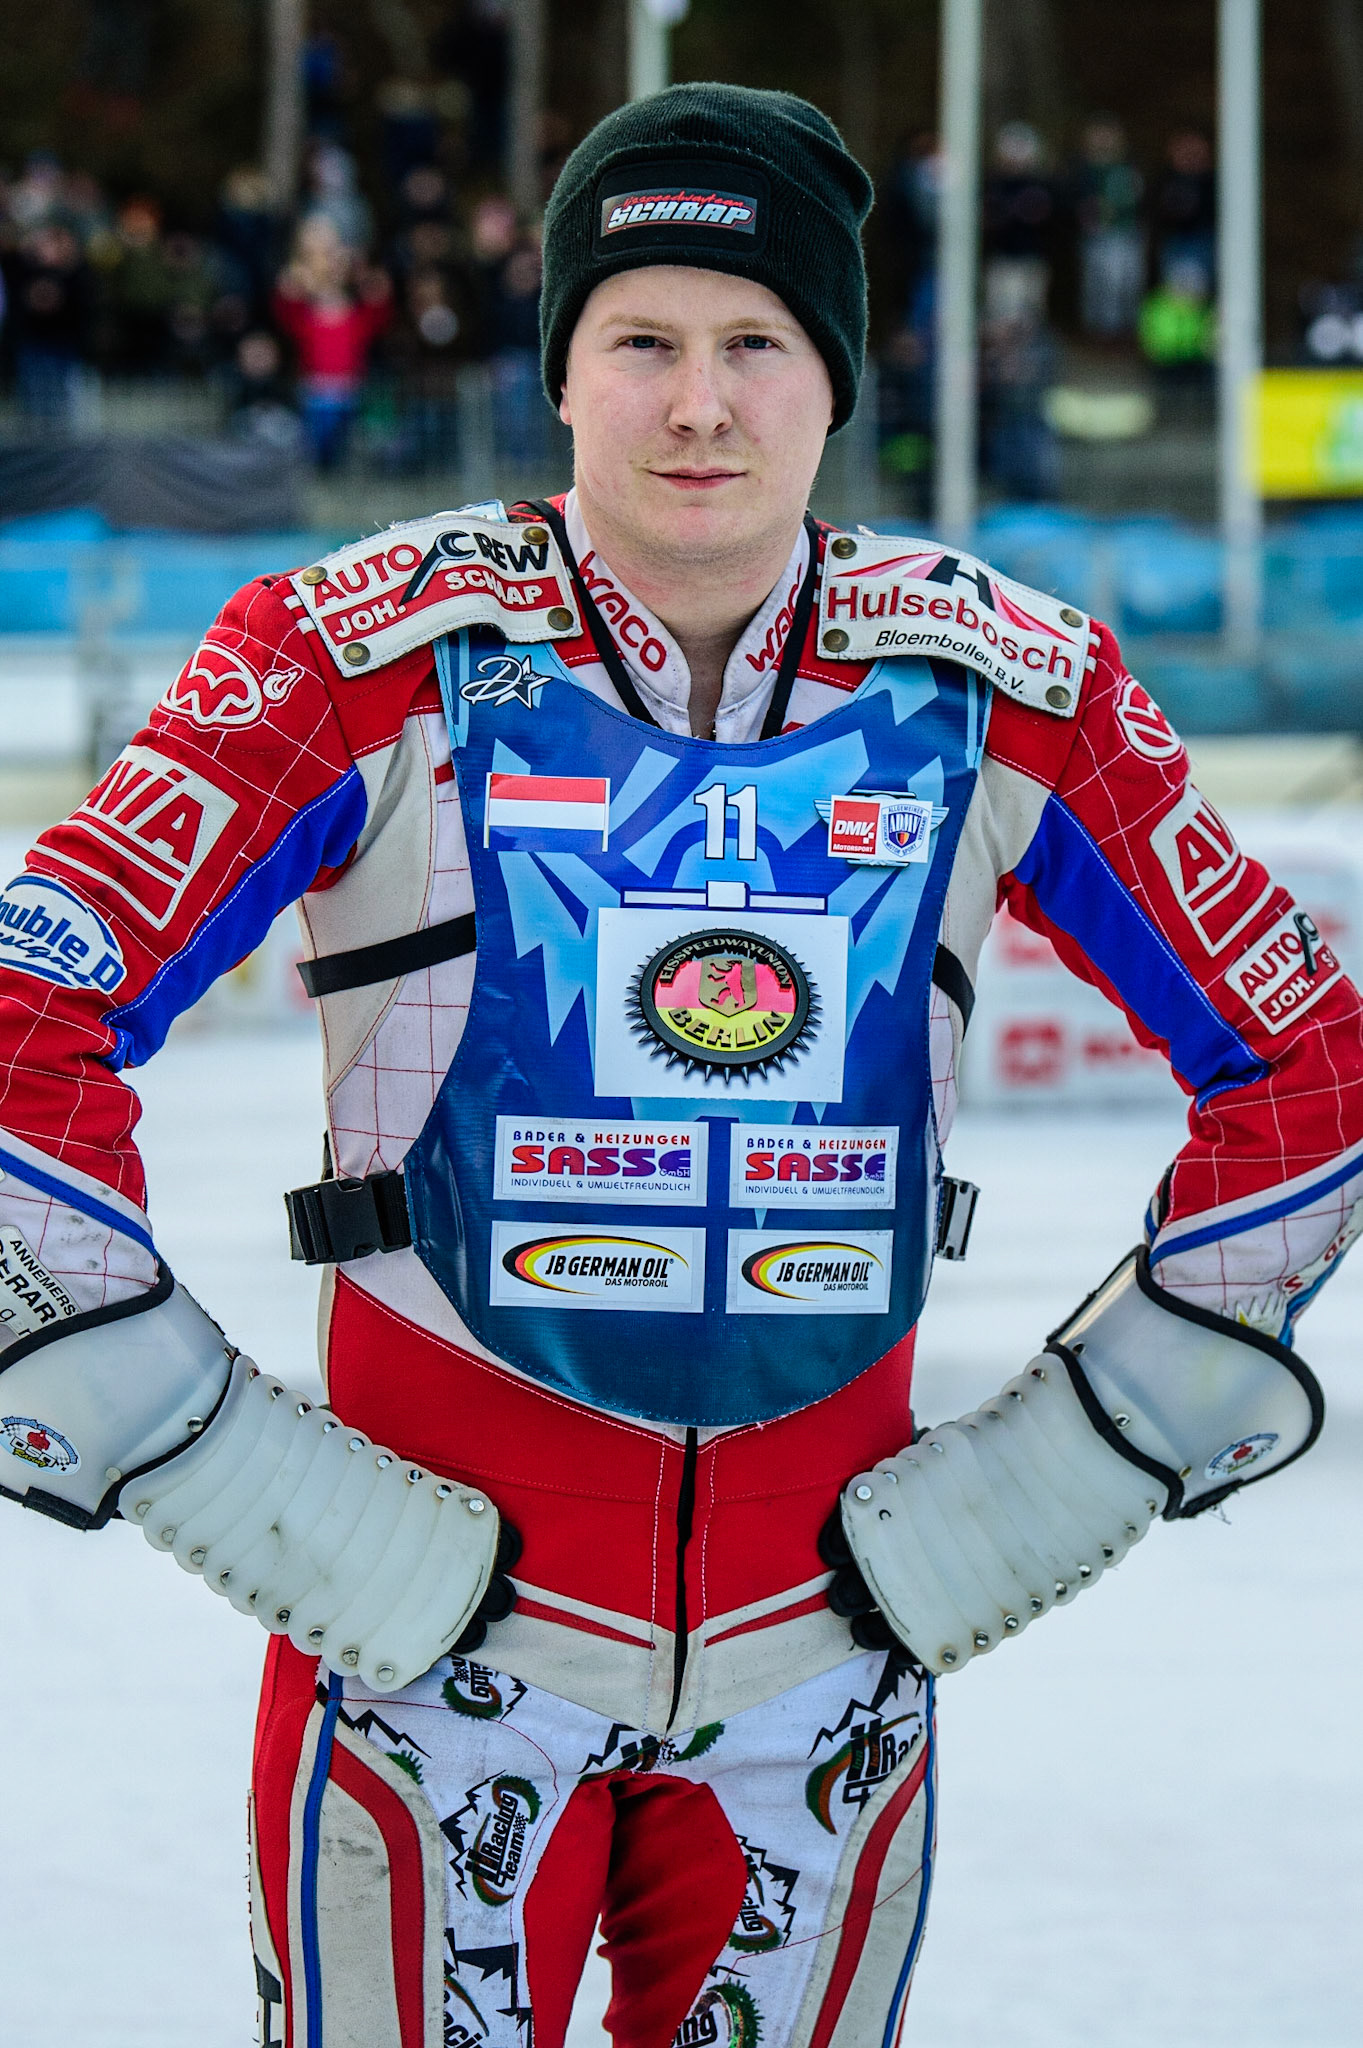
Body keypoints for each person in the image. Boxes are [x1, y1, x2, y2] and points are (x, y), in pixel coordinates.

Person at [0, 84, 1358, 2048]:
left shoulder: (1010, 691)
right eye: (638, 339)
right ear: (560, 374)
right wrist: (211, 1454)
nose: (697, 403)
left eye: (755, 342)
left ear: (835, 380)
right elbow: (27, 1020)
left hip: (825, 1692)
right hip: (421, 1673)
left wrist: (1078, 1460)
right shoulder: (348, 658)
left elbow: (1306, 1059)